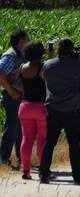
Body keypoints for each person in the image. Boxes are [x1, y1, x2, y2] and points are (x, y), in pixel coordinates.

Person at [39, 38, 80, 184]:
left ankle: (44, 174)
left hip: (53, 109)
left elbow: (42, 76)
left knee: (49, 143)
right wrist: (79, 62)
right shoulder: (75, 64)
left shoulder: (48, 64)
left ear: (59, 49)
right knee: (74, 144)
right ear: (71, 50)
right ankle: (78, 176)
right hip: (71, 110)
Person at [0, 29, 29, 167]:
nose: (28, 42)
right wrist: (11, 91)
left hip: (19, 97)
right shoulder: (11, 56)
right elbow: (0, 73)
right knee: (12, 129)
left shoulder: (20, 54)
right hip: (12, 98)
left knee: (20, 130)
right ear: (21, 41)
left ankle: (21, 159)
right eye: (27, 40)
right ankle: (3, 160)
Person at [18, 41, 46, 180]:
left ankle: (26, 170)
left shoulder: (22, 67)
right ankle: (43, 170)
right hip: (41, 107)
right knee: (42, 139)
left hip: (24, 106)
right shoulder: (42, 68)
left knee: (26, 139)